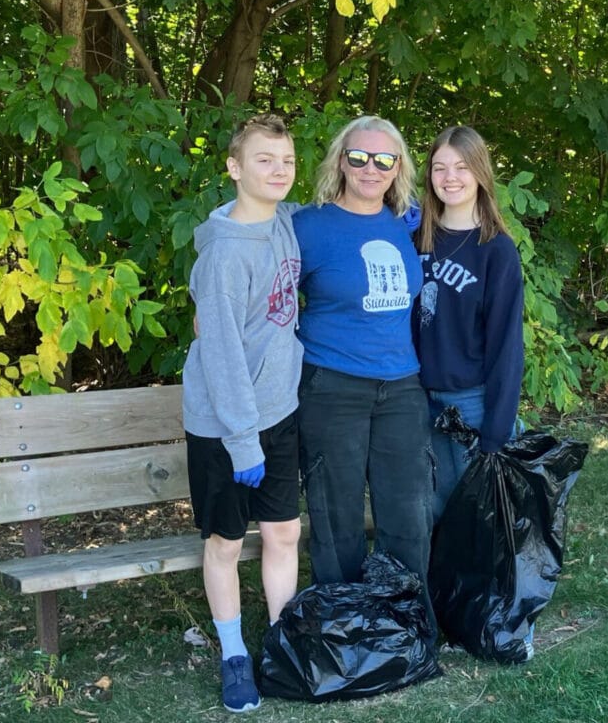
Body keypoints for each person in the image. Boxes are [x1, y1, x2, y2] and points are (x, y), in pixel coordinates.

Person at [293, 115, 436, 637]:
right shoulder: (308, 226)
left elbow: (473, 218)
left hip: (402, 387)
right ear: (340, 161)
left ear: (398, 168)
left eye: (384, 159)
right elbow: (253, 259)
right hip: (332, 386)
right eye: (358, 157)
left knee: (407, 511)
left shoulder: (410, 221)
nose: (370, 168)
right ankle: (344, 626)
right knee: (337, 513)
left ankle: (403, 625)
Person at [182, 113, 303, 713]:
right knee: (226, 541)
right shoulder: (227, 255)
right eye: (264, 160)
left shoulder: (281, 220)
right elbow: (223, 356)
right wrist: (243, 440)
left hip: (277, 410)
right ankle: (234, 655)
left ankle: (281, 645)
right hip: (226, 426)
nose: (278, 171)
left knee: (283, 532)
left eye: (286, 161)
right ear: (233, 168)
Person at [414, 125, 525, 524]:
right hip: (418, 401)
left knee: (478, 522)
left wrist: (495, 432)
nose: (450, 178)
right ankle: (438, 589)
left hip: (473, 405)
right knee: (431, 515)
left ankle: (480, 591)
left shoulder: (496, 251)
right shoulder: (416, 238)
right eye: (439, 167)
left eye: (461, 167)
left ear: (480, 172)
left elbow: (507, 349)